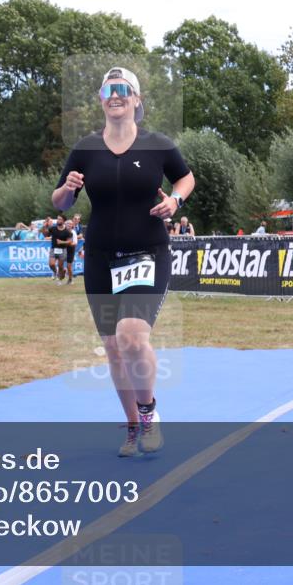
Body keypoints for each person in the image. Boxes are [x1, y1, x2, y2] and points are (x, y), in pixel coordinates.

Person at [52, 66, 195, 457]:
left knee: (132, 336)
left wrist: (175, 200)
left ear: (136, 100)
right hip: (100, 257)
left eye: (122, 89)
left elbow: (186, 178)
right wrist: (67, 189)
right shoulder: (85, 148)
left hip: (147, 252)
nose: (114, 95)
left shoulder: (157, 145)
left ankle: (148, 412)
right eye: (107, 90)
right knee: (114, 348)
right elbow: (60, 202)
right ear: (101, 100)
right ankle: (133, 426)